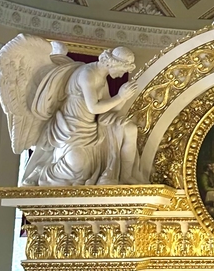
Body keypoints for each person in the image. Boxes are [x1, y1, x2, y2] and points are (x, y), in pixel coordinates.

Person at [21, 47, 140, 186]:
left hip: (93, 127)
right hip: (71, 129)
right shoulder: (87, 74)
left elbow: (108, 109)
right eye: (122, 70)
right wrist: (120, 97)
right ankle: (41, 171)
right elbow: (94, 107)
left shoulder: (102, 78)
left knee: (130, 129)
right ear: (112, 64)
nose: (121, 75)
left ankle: (126, 177)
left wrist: (124, 98)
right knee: (76, 163)